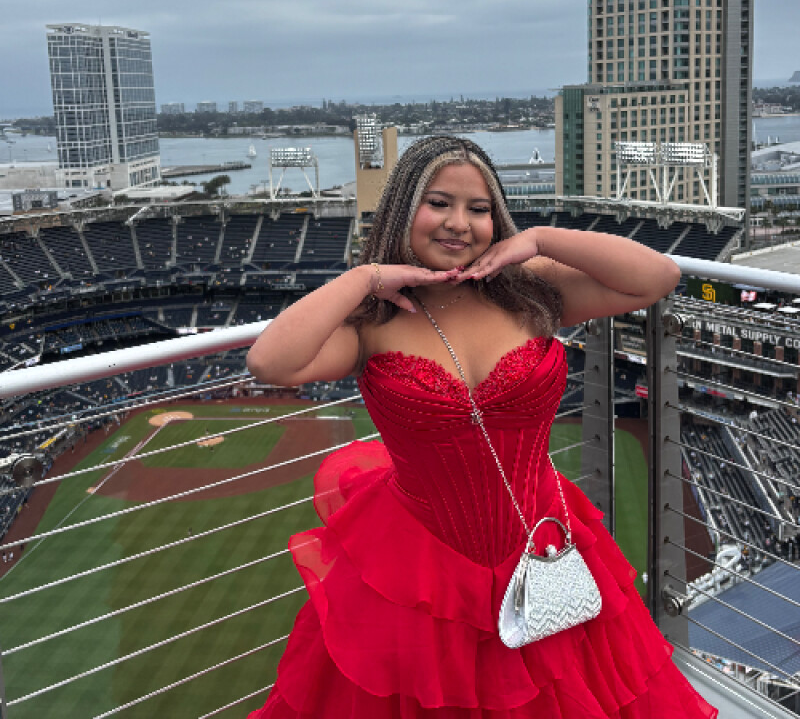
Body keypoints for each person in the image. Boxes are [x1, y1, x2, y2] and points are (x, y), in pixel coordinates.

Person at [246, 136, 717, 718]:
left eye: (479, 208)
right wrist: (365, 277)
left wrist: (539, 238)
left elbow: (657, 277)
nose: (459, 224)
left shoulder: (531, 291)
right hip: (420, 569)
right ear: (402, 210)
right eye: (438, 203)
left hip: (542, 541)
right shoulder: (371, 321)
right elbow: (270, 363)